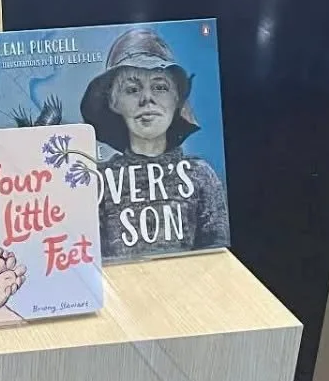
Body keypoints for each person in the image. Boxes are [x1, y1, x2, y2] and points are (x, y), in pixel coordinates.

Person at [81, 27, 229, 257]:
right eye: (132, 89)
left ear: (176, 98)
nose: (146, 99)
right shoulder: (98, 182)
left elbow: (217, 259)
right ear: (113, 102)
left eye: (160, 87)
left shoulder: (201, 177)